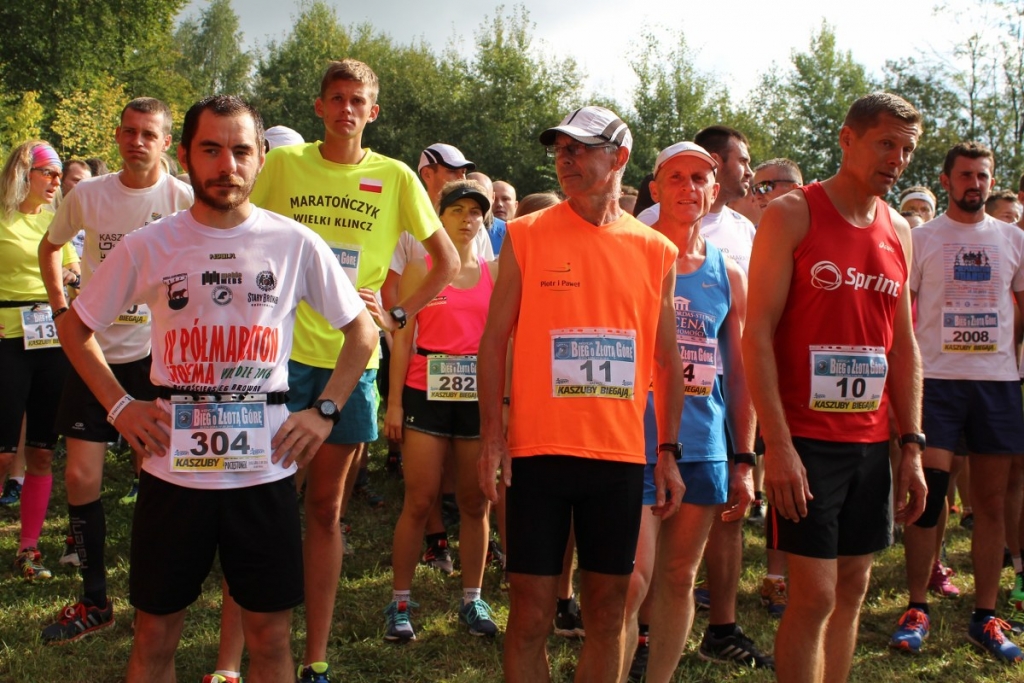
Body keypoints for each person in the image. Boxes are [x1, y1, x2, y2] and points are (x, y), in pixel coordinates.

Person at [54, 94, 376, 683]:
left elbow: (362, 332)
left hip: (264, 471)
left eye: (241, 151)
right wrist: (120, 406)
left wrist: (325, 410)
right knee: (154, 635)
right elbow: (74, 329)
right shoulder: (150, 243)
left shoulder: (294, 242)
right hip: (174, 472)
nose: (228, 165)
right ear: (185, 156)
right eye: (211, 149)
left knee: (270, 637)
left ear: (260, 160)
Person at [247, 58, 459, 683]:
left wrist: (396, 315)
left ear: (373, 111)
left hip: (350, 362)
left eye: (357, 100)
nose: (346, 109)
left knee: (324, 509)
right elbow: (239, 233)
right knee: (264, 505)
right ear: (319, 106)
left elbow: (445, 261)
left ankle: (315, 656)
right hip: (277, 359)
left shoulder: (394, 177)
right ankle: (240, 658)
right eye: (336, 97)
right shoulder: (283, 165)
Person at [477, 105, 686, 683]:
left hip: (617, 459)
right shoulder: (526, 234)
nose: (565, 158)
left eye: (580, 148)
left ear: (619, 158)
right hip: (537, 454)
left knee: (608, 614)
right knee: (529, 616)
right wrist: (492, 438)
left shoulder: (656, 250)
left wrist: (668, 450)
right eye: (560, 149)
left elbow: (668, 360)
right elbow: (492, 342)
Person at [743, 92, 927, 683]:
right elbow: (756, 334)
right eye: (886, 143)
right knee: (815, 594)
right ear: (847, 139)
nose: (897, 159)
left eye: (907, 149)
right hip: (806, 441)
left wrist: (911, 446)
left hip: (870, 443)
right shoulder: (793, 213)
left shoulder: (899, 229)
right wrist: (778, 445)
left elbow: (903, 348)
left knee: (852, 588)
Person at [38, 97, 194, 645]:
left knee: (158, 479)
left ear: (166, 142)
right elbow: (50, 248)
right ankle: (95, 600)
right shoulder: (88, 194)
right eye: (129, 132)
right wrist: (61, 309)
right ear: (118, 135)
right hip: (94, 356)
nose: (136, 142)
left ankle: (156, 597)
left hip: (156, 361)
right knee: (81, 478)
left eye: (148, 134)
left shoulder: (182, 198)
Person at [621, 142, 759, 683]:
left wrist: (744, 458)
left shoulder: (729, 273)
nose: (688, 187)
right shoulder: (631, 254)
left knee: (679, 578)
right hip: (634, 438)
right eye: (675, 177)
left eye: (699, 178)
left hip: (703, 443)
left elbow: (740, 375)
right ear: (655, 189)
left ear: (714, 190)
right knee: (633, 581)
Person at [891, 142, 1024, 663]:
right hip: (937, 383)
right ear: (945, 181)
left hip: (996, 384)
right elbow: (902, 315)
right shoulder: (922, 238)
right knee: (929, 498)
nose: (975, 184)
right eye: (965, 175)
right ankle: (916, 607)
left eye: (982, 176)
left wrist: (1005, 360)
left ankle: (984, 615)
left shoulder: (1013, 239)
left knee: (989, 504)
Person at [383, 180, 499, 641]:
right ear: (439, 216)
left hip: (475, 398)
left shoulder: (493, 272)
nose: (467, 220)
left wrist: (503, 406)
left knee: (475, 501)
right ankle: (399, 603)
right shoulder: (421, 268)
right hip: (424, 392)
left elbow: (503, 342)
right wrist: (394, 404)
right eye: (457, 210)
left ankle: (473, 598)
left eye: (475, 212)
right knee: (419, 499)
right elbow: (402, 339)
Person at [0, 141, 79, 581]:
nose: (55, 182)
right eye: (48, 172)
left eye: (58, 174)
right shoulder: (2, 217)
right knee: (3, 454)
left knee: (42, 453)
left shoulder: (56, 220)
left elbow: (72, 268)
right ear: (23, 173)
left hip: (50, 340)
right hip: (7, 339)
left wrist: (70, 275)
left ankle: (27, 549)